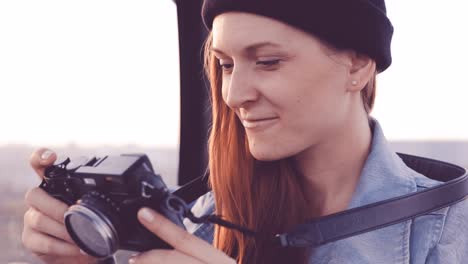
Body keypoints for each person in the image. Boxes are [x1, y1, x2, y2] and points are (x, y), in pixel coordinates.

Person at [22, 0, 468, 263]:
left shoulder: (450, 233)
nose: (233, 94)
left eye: (268, 61)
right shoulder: (199, 218)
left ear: (358, 64)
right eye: (226, 65)